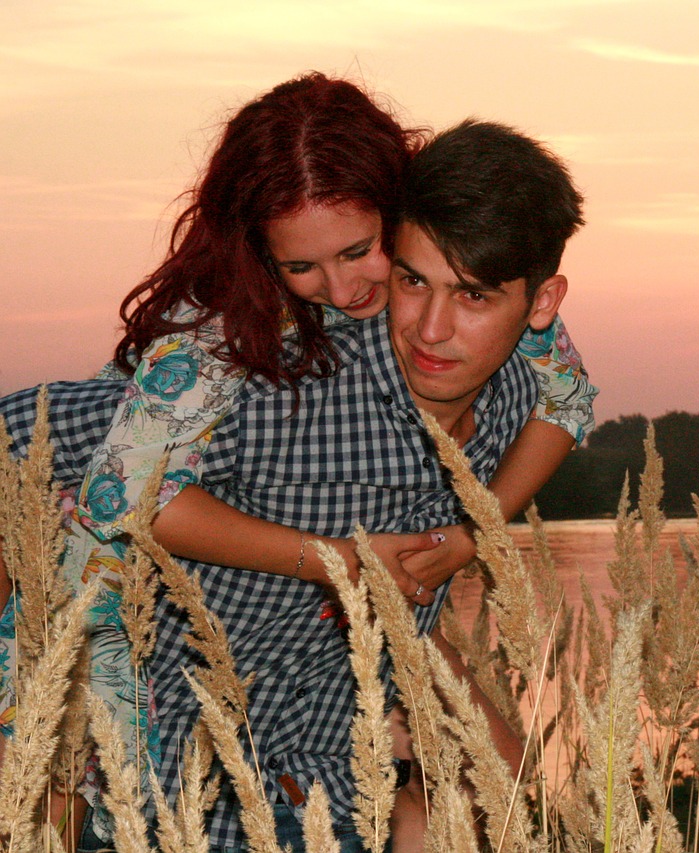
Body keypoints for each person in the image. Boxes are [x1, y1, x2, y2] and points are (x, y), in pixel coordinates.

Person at [0, 75, 594, 845]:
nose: (346, 288)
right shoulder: (232, 352)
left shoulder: (507, 341)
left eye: (362, 252)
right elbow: (44, 445)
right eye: (305, 267)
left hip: (305, 716)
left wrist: (475, 534)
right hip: (108, 631)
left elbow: (570, 403)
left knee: (497, 807)